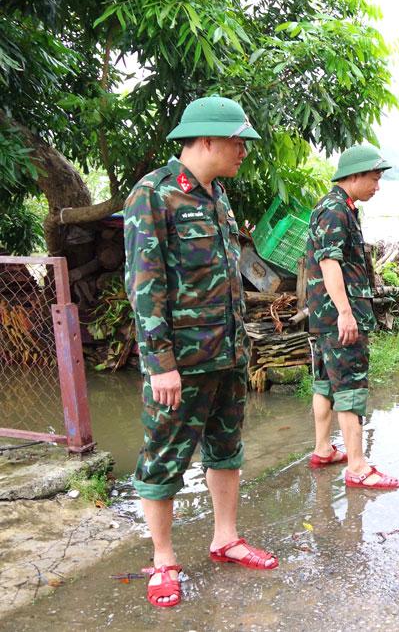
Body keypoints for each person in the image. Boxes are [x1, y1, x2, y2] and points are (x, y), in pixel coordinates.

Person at [123, 95, 277, 608]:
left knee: (226, 449)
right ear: (207, 139)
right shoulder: (153, 195)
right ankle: (164, 560)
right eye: (237, 142)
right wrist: (159, 363)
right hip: (180, 364)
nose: (243, 151)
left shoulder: (218, 197)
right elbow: (145, 286)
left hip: (227, 355)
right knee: (163, 458)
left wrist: (241, 346)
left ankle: (225, 537)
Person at [304, 145, 399, 489]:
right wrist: (346, 313)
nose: (377, 185)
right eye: (374, 178)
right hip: (339, 318)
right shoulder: (335, 211)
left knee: (326, 382)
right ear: (355, 175)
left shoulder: (338, 208)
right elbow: (330, 263)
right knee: (350, 385)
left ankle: (323, 449)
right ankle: (358, 467)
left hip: (324, 317)